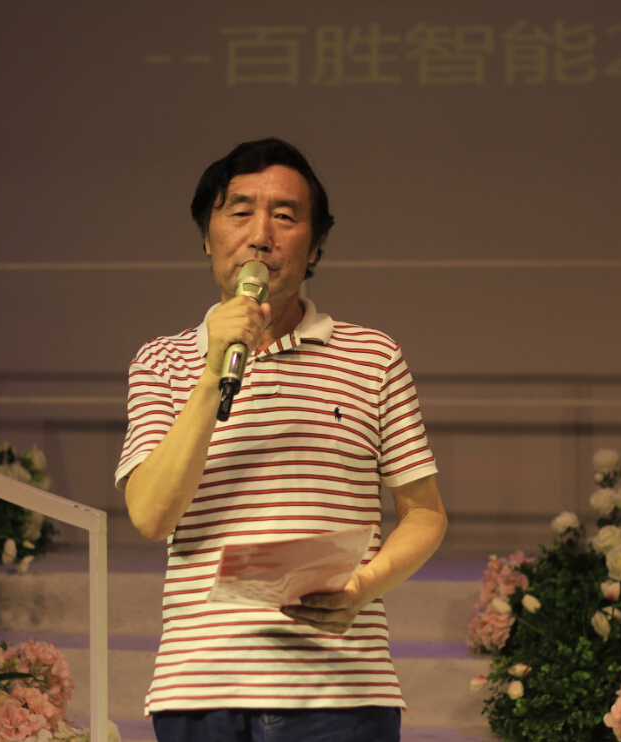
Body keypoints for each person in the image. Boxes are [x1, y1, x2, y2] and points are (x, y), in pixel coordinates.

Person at [115, 138, 447, 742]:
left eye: (285, 216)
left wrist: (362, 587)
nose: (260, 235)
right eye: (239, 212)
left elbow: (425, 515)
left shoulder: (373, 356)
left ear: (314, 246)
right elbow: (151, 515)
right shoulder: (160, 362)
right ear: (208, 236)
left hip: (343, 690)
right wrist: (212, 371)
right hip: (200, 690)